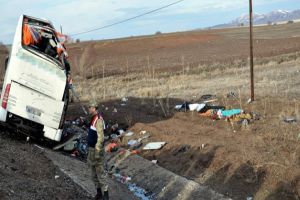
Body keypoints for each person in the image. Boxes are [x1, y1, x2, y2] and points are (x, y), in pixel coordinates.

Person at [87, 100, 109, 200]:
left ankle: (105, 196)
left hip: (96, 151)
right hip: (91, 150)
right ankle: (99, 193)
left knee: (100, 174)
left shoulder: (99, 120)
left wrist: (97, 151)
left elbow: (101, 138)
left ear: (94, 108)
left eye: (90, 107)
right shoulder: (93, 118)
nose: (88, 109)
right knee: (93, 174)